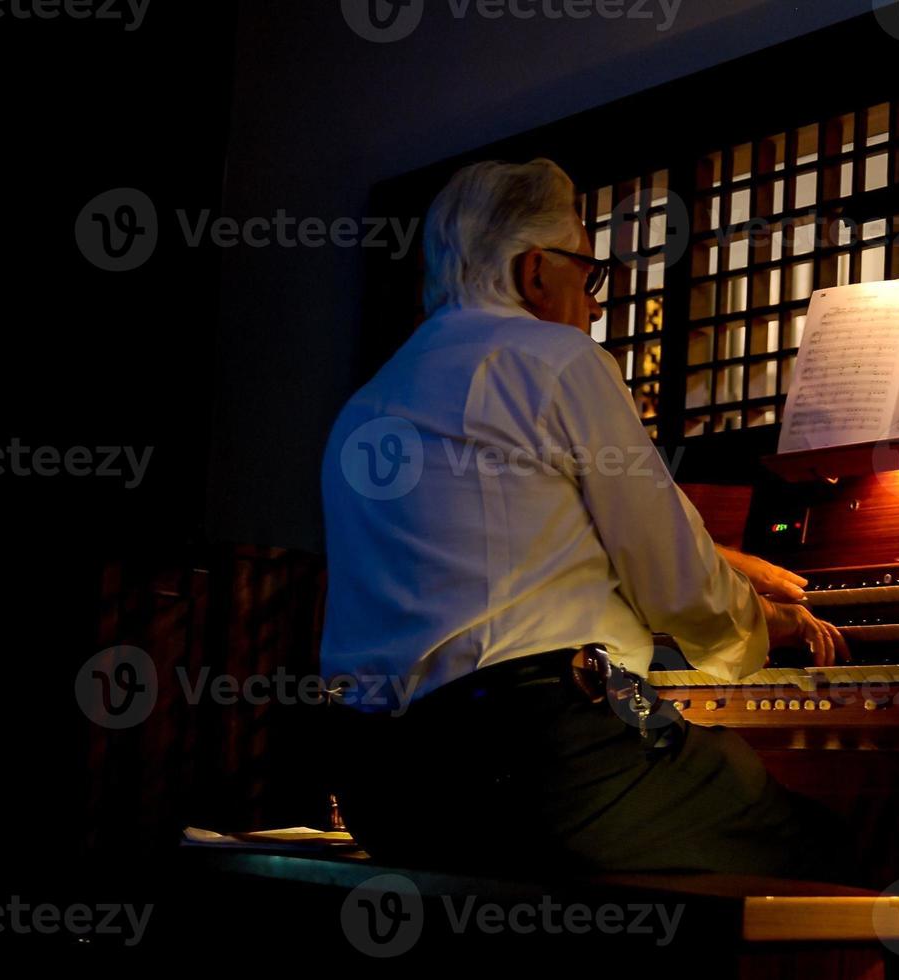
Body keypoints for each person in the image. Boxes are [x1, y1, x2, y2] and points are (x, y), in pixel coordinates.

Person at [319, 157, 858, 883]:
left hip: (382, 787)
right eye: (589, 272)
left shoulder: (369, 402)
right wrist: (759, 632)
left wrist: (727, 570)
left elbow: (517, 547)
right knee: (829, 849)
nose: (597, 305)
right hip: (531, 762)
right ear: (536, 271)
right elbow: (673, 582)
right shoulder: (555, 358)